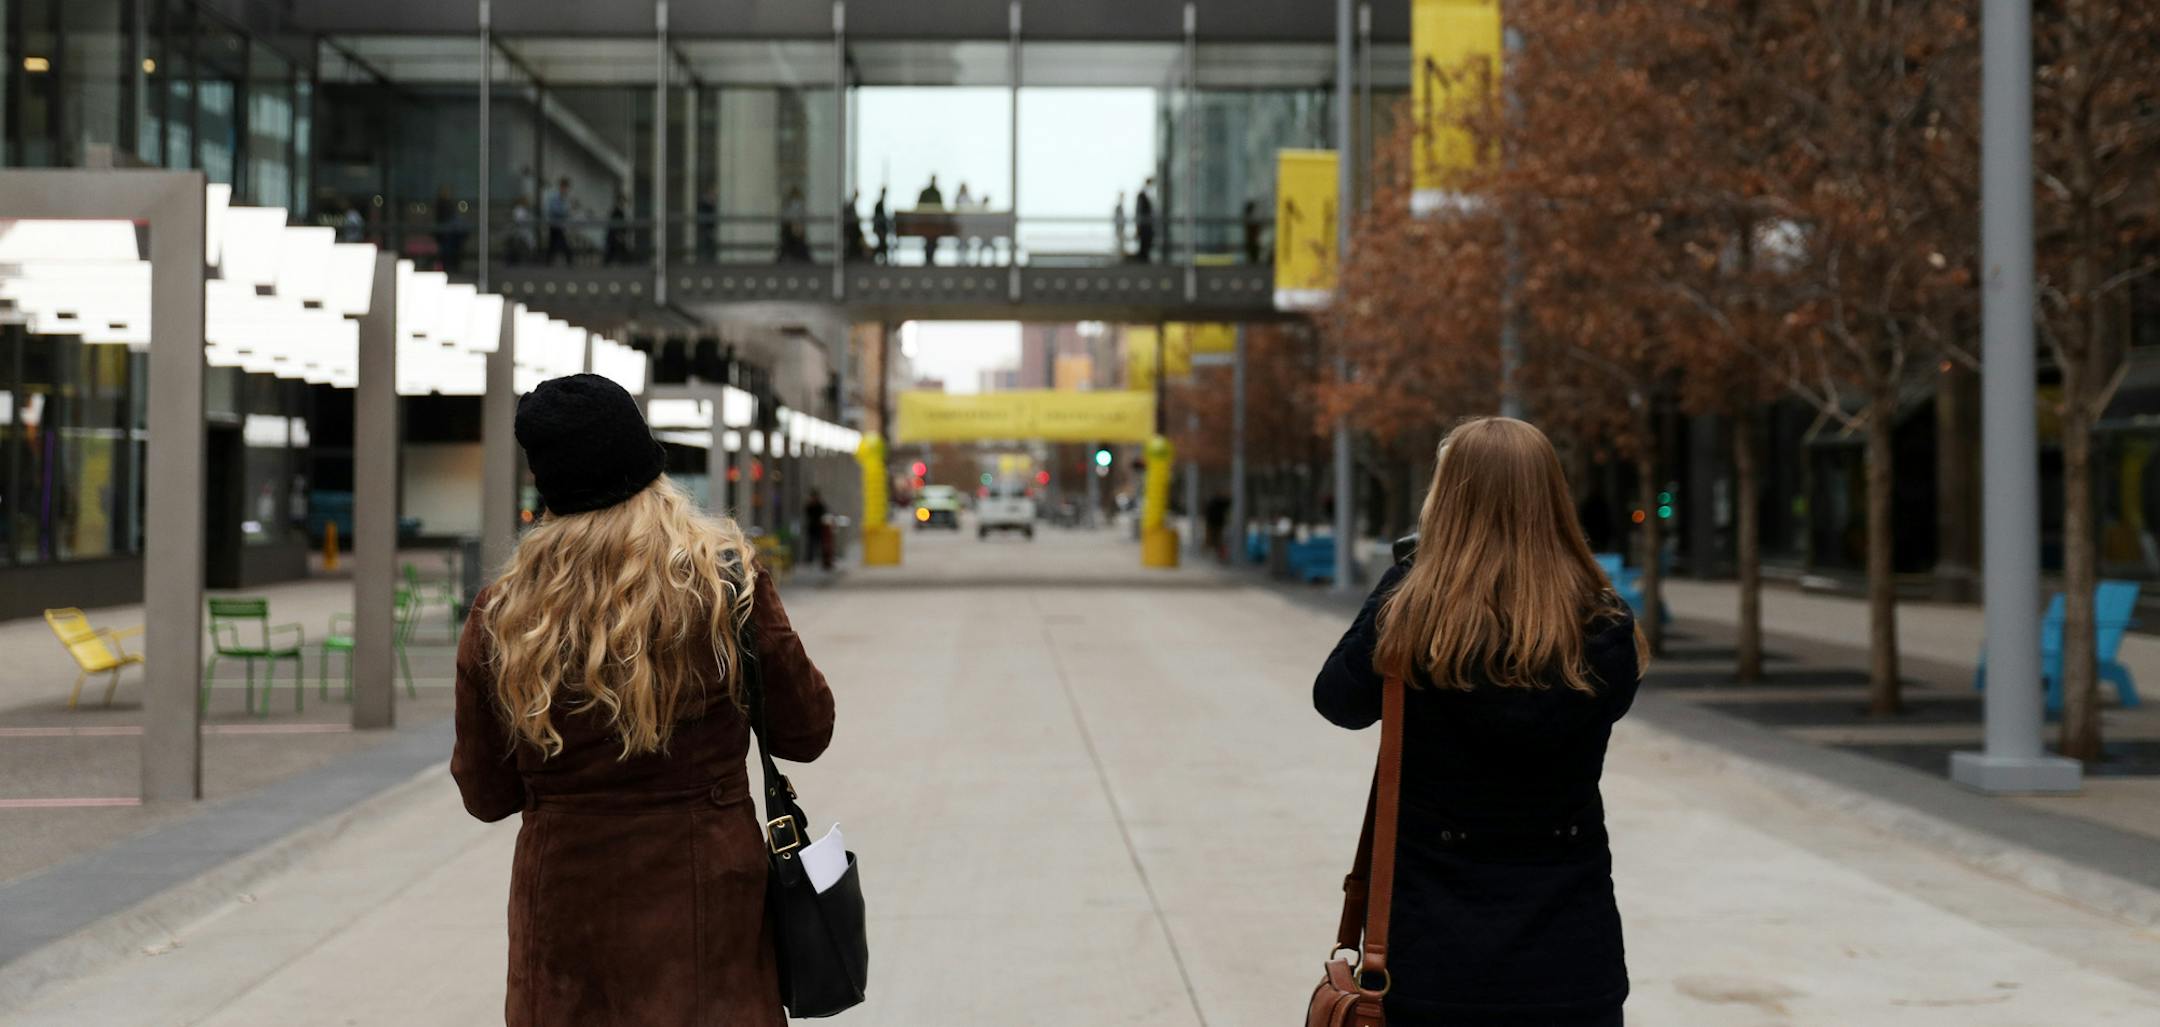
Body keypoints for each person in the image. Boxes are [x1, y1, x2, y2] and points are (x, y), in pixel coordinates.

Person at [454, 374, 836, 1027]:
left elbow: (487, 797)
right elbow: (807, 729)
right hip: (708, 921)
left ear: (547, 488)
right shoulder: (726, 584)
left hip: (566, 935)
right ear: (648, 469)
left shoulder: (503, 616)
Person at [1313, 416, 1645, 1027]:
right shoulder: (1604, 625)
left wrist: (1407, 575)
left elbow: (1337, 700)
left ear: (1447, 500)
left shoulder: (1410, 615)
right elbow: (1611, 706)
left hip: (1430, 956)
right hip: (1571, 955)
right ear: (1551, 499)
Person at [915, 175, 946, 264]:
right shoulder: (927, 192)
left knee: (933, 240)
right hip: (926, 221)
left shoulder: (937, 193)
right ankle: (928, 258)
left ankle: (931, 258)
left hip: (934, 222)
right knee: (928, 240)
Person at [434, 185, 464, 273]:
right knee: (447, 251)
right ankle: (449, 266)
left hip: (451, 234)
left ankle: (452, 266)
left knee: (452, 250)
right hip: (445, 234)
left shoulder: (449, 204)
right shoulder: (442, 205)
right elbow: (442, 220)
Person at [544, 178, 573, 265]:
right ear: (561, 187)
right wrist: (565, 211)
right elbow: (553, 209)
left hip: (558, 224)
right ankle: (569, 259)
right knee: (562, 242)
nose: (566, 190)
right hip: (555, 224)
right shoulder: (555, 197)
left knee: (553, 244)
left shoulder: (562, 197)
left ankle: (548, 261)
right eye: (565, 187)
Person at [804, 488, 833, 570]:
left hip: (820, 528)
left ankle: (823, 561)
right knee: (811, 544)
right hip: (812, 528)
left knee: (821, 544)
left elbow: (824, 513)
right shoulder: (810, 505)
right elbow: (807, 512)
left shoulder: (820, 505)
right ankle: (809, 560)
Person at [1134, 177, 1157, 263]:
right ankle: (1142, 261)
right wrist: (1138, 226)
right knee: (1144, 243)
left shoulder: (1149, 195)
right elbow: (1139, 211)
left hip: (1148, 225)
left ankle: (1144, 259)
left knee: (1147, 243)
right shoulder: (1142, 195)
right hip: (1144, 225)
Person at [696, 187, 719, 264]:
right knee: (706, 243)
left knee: (709, 243)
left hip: (710, 228)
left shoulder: (710, 204)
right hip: (706, 228)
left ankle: (709, 258)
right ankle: (705, 259)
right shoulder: (704, 204)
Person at [872, 186, 892, 264]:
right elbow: (878, 218)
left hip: (881, 228)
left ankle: (883, 259)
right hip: (880, 228)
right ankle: (881, 259)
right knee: (882, 244)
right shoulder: (879, 204)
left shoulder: (881, 204)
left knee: (882, 244)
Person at [1112, 191, 1128, 260]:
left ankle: (1119, 258)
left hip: (1120, 228)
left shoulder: (1120, 206)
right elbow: (1117, 219)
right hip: (1119, 228)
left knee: (1120, 244)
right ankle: (1119, 258)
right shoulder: (1119, 207)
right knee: (1120, 244)